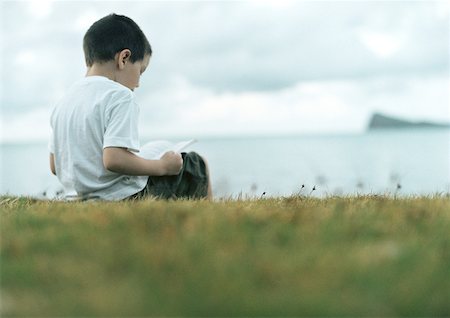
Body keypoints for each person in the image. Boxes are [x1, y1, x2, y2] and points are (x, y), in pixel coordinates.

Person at [48, 13, 211, 201]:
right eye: (140, 71)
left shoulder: (64, 101)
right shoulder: (120, 95)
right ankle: (207, 224)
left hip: (78, 200)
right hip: (121, 198)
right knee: (196, 164)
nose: (138, 84)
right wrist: (162, 166)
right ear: (124, 58)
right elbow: (114, 159)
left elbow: (55, 165)